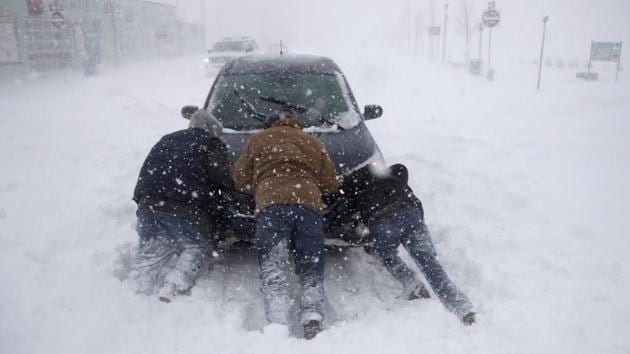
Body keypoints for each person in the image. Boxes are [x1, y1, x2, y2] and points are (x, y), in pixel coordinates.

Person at [233, 108, 338, 339]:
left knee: (273, 266)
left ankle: (278, 322)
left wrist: (260, 185)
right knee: (311, 264)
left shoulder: (258, 139)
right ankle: (312, 317)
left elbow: (240, 178)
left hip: (271, 204)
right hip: (308, 204)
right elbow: (330, 183)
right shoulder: (311, 141)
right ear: (295, 124)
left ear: (269, 125)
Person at [341, 163, 476, 325]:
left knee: (387, 256)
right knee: (429, 263)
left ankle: (413, 285)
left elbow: (344, 215)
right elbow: (401, 169)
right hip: (409, 212)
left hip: (380, 219)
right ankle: (462, 308)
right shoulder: (388, 173)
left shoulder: (351, 185)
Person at [128, 110, 233, 302]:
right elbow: (222, 178)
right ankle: (172, 286)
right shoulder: (211, 143)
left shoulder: (166, 139)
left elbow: (145, 172)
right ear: (212, 130)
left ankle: (136, 289)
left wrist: (142, 203)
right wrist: (225, 195)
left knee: (153, 247)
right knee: (196, 245)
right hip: (185, 208)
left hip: (148, 205)